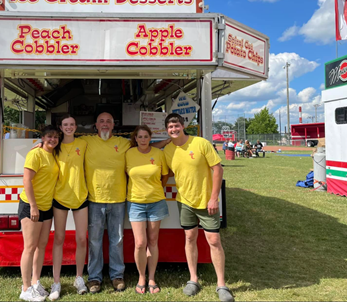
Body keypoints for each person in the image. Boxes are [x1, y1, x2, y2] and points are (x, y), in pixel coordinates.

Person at [82, 112, 170, 294]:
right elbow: (65, 142)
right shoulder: (86, 141)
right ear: (96, 125)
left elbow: (146, 145)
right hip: (95, 199)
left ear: (114, 125)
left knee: (117, 240)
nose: (105, 124)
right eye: (101, 121)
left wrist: (168, 141)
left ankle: (117, 276)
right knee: (95, 241)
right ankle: (94, 278)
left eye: (108, 121)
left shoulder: (124, 144)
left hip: (119, 199)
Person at [163, 113, 234, 302]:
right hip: (184, 202)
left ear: (183, 125)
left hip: (206, 202)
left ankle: (221, 284)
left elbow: (218, 169)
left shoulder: (201, 143)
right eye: (170, 127)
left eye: (176, 126)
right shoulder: (168, 150)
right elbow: (168, 172)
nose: (174, 129)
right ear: (166, 130)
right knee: (189, 237)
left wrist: (214, 198)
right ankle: (193, 279)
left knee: (213, 241)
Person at [125, 125, 169, 295]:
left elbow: (165, 174)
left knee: (153, 241)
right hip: (135, 202)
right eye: (139, 137)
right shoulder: (128, 154)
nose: (143, 139)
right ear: (135, 138)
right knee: (140, 243)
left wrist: (158, 188)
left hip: (156, 202)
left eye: (145, 136)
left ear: (151, 138)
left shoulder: (159, 154)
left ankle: (151, 278)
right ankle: (141, 277)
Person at [49, 115, 89, 300]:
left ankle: (79, 277)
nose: (69, 127)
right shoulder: (55, 146)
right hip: (60, 198)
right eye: (66, 125)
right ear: (61, 127)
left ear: (76, 126)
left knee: (81, 239)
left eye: (72, 124)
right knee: (59, 238)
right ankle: (56, 282)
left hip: (81, 197)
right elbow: (41, 148)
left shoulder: (84, 143)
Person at [18, 125, 60, 302]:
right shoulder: (35, 154)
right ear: (43, 138)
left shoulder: (54, 155)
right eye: (49, 136)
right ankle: (25, 288)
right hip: (31, 205)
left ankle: (36, 283)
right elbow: (26, 180)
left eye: (56, 137)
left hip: (47, 206)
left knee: (41, 245)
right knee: (29, 246)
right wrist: (33, 206)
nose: (53, 139)